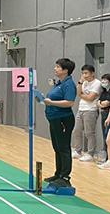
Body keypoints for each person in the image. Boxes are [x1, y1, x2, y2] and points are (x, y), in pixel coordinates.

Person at [42, 58, 77, 188]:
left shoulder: (69, 84)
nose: (55, 69)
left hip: (63, 119)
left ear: (65, 70)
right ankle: (58, 174)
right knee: (57, 147)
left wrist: (51, 102)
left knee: (63, 147)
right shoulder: (58, 83)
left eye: (58, 67)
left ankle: (65, 177)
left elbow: (69, 102)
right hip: (54, 119)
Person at [72, 65, 102, 162]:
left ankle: (90, 153)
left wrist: (82, 95)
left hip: (91, 110)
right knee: (76, 131)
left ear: (92, 73)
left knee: (89, 133)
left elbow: (90, 98)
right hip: (81, 109)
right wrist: (80, 83)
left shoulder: (97, 83)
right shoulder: (84, 83)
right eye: (82, 73)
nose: (84, 75)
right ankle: (77, 151)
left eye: (86, 73)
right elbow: (78, 93)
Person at [98, 73, 110, 158]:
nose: (103, 81)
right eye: (102, 79)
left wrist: (102, 103)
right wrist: (101, 103)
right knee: (105, 136)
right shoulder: (104, 91)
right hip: (103, 113)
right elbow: (99, 102)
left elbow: (107, 103)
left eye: (105, 80)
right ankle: (107, 156)